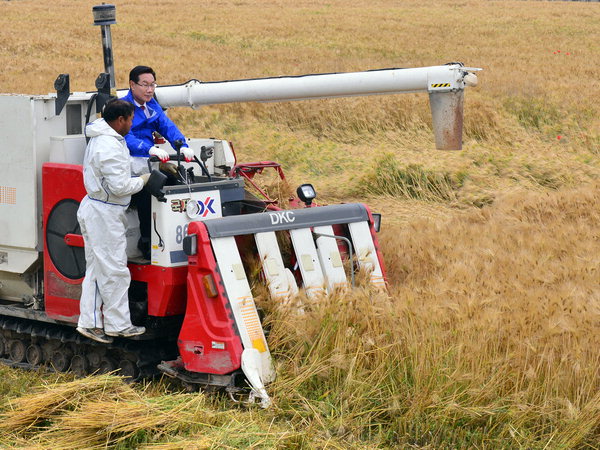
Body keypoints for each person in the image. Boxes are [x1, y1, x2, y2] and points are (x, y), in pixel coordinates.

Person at [76, 99, 150, 344]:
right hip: (104, 214)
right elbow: (119, 187)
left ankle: (90, 323)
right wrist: (144, 180)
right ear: (120, 120)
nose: (132, 124)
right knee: (115, 270)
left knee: (97, 270)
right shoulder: (108, 145)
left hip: (96, 208)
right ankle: (119, 325)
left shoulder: (104, 138)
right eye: (130, 119)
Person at [122, 65, 194, 259]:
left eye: (152, 84)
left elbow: (167, 126)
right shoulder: (123, 108)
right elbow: (124, 137)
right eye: (144, 85)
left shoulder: (151, 105)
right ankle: (147, 242)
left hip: (148, 163)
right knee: (148, 195)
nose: (149, 89)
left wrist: (182, 145)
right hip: (128, 169)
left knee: (174, 184)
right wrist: (148, 149)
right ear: (132, 85)